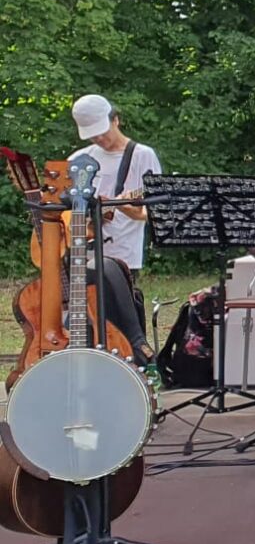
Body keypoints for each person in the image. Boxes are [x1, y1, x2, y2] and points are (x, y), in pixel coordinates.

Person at [70, 93, 159, 359]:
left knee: (121, 320)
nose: (99, 139)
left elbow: (152, 212)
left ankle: (129, 362)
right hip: (82, 252)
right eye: (92, 135)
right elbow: (65, 209)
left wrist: (127, 209)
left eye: (102, 131)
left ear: (116, 120)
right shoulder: (80, 159)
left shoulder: (141, 155)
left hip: (123, 255)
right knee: (84, 317)